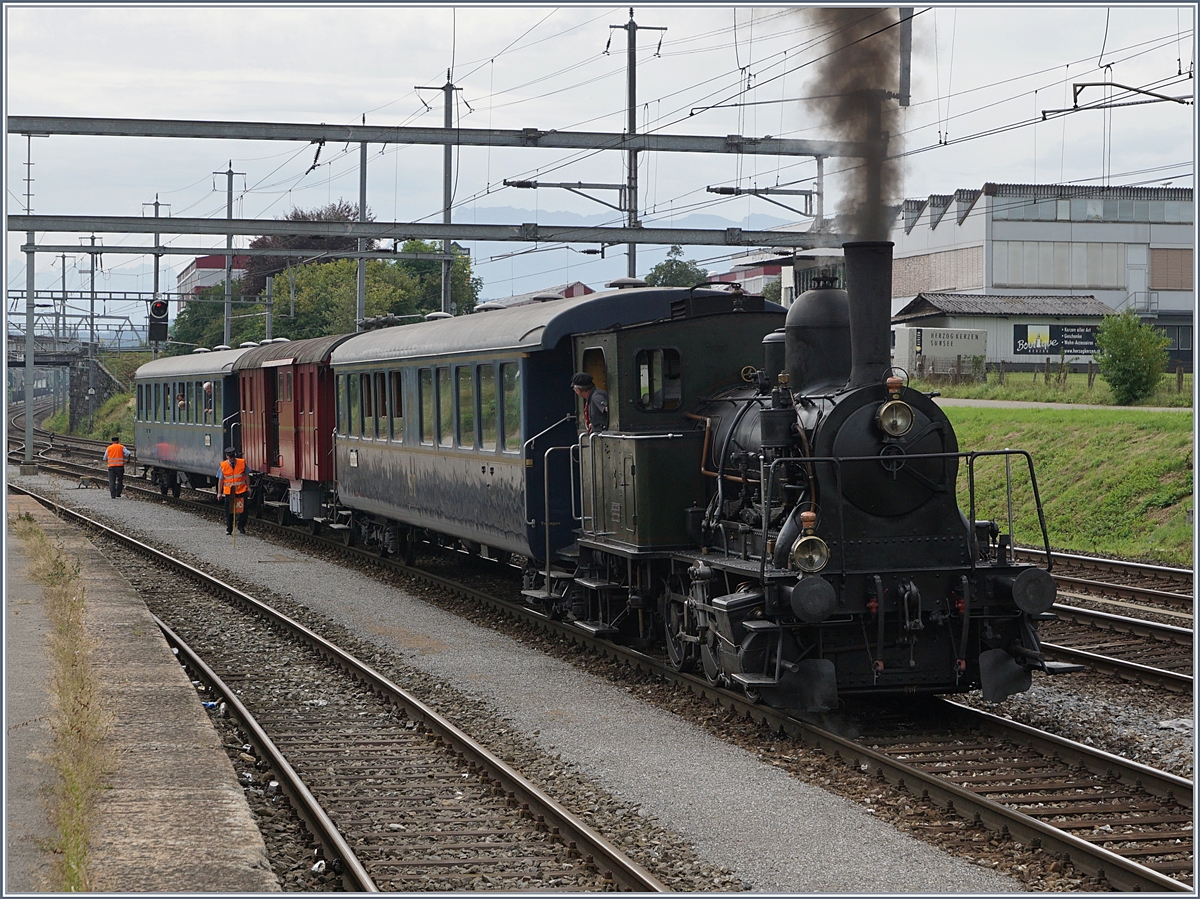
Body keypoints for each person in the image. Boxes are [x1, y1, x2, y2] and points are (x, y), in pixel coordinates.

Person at [217, 446, 249, 535]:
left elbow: (246, 475)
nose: (232, 458)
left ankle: (241, 526)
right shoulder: (223, 465)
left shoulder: (242, 463)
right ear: (227, 456)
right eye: (230, 457)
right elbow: (220, 480)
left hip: (241, 490)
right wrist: (219, 493)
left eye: (233, 456)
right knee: (229, 512)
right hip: (229, 492)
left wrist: (248, 487)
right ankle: (229, 529)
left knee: (244, 511)